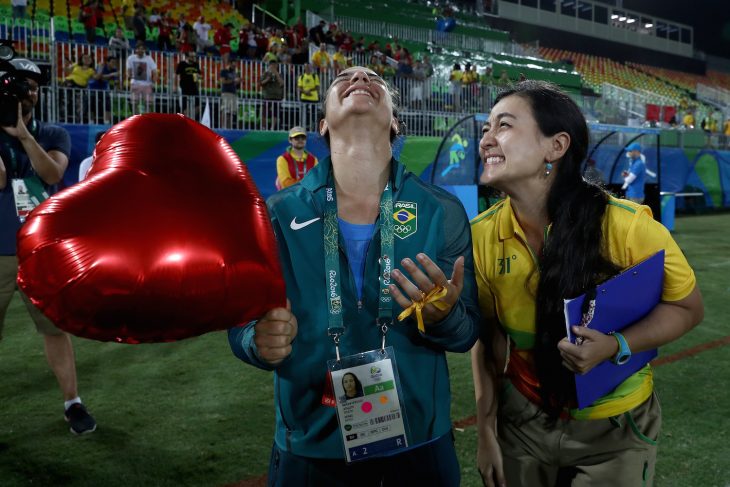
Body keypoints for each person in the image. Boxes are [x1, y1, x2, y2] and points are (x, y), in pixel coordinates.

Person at [228, 66, 479, 485]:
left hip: (419, 444)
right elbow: (240, 324)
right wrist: (257, 340)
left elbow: (466, 331)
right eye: (344, 77)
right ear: (323, 123)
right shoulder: (275, 214)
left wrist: (445, 317)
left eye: (375, 79)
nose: (360, 77)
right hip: (310, 444)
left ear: (395, 121)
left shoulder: (441, 210)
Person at [470, 80, 703, 487]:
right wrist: (487, 430)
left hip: (616, 427)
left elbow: (688, 308)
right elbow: (487, 339)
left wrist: (616, 345)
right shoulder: (480, 236)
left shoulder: (628, 227)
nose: (486, 139)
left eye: (503, 125)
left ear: (555, 147)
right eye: (486, 128)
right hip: (523, 423)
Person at [0, 58, 97, 436]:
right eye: (21, 85)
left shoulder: (53, 133)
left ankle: (73, 403)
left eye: (35, 87)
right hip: (1, 250)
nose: (30, 93)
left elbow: (53, 173)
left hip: (40, 250)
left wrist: (24, 135)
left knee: (55, 328)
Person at [126, 42, 158, 114]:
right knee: (134, 103)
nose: (140, 50)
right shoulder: (131, 58)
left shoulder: (149, 59)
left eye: (142, 49)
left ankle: (147, 120)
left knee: (149, 103)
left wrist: (153, 82)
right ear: (136, 50)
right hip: (135, 83)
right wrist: (129, 78)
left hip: (147, 84)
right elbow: (129, 70)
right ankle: (135, 119)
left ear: (144, 50)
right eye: (139, 49)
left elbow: (155, 71)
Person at [175, 51, 201, 119]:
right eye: (191, 56)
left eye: (194, 57)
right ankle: (184, 120)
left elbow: (197, 76)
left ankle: (193, 119)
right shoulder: (182, 64)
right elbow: (177, 75)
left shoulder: (196, 64)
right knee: (184, 106)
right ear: (187, 57)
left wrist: (197, 85)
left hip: (193, 87)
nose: (193, 58)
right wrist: (175, 86)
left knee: (197, 105)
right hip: (184, 87)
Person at [259, 60, 284, 131]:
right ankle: (263, 127)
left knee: (275, 113)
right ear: (269, 66)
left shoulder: (279, 74)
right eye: (272, 65)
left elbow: (282, 83)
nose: (273, 67)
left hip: (277, 96)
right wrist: (268, 79)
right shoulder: (265, 74)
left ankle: (272, 127)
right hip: (267, 96)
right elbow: (261, 83)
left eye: (275, 65)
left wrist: (276, 74)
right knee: (264, 112)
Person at [220, 59, 240, 129]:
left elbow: (236, 84)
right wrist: (234, 80)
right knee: (225, 110)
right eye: (233, 65)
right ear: (230, 63)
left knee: (231, 112)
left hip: (233, 93)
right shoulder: (224, 71)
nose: (234, 66)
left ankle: (229, 128)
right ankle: (223, 127)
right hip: (226, 93)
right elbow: (223, 81)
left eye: (235, 65)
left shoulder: (235, 73)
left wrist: (238, 82)